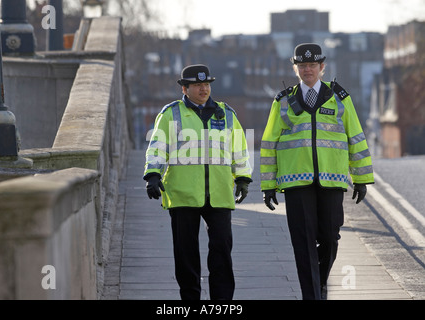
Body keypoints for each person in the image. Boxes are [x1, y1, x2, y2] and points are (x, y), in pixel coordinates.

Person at [260, 43, 374, 300]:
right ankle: (311, 295)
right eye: (302, 65)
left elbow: (355, 136)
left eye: (312, 65)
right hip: (295, 182)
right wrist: (268, 185)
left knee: (330, 239)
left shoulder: (340, 98)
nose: (307, 69)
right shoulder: (283, 102)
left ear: (322, 67)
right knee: (303, 243)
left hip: (331, 181)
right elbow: (269, 144)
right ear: (296, 69)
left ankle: (319, 282)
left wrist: (361, 178)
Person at [143, 64, 253, 300]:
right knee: (186, 255)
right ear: (185, 88)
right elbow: (157, 147)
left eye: (207, 85)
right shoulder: (170, 113)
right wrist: (152, 174)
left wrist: (243, 178)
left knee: (222, 251)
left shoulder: (226, 114)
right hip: (182, 194)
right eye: (197, 85)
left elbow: (240, 149)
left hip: (219, 193)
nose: (204, 89)